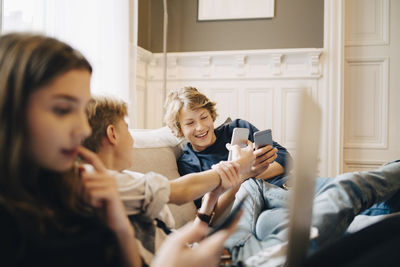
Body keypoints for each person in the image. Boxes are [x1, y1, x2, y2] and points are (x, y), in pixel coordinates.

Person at [0, 32, 240, 267]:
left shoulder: (77, 188)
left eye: (82, 111)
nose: (83, 129)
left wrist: (122, 229)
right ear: (10, 112)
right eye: (63, 109)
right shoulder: (17, 222)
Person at [82, 96, 260, 265]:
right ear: (112, 134)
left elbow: (183, 234)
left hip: (191, 251)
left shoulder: (132, 178)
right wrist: (237, 166)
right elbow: (181, 192)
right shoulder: (102, 184)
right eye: (127, 128)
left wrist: (210, 200)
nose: (131, 139)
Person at [164, 86, 292, 220]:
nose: (200, 127)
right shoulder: (188, 163)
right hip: (257, 204)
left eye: (204, 117)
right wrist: (244, 175)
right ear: (179, 130)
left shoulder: (238, 128)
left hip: (286, 186)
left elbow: (286, 159)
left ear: (211, 115)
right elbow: (212, 213)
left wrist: (248, 174)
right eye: (190, 123)